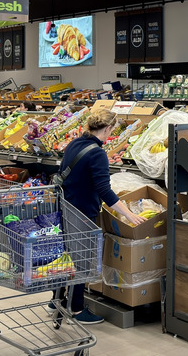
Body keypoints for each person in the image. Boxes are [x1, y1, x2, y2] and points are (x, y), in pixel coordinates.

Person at [52, 109, 145, 323]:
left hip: (66, 206)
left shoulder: (75, 143)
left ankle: (56, 300)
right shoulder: (97, 153)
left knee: (67, 256)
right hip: (83, 212)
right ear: (108, 128)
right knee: (82, 260)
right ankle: (76, 309)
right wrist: (129, 215)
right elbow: (104, 190)